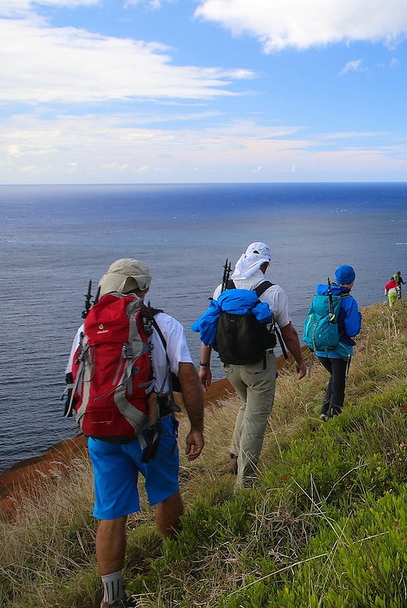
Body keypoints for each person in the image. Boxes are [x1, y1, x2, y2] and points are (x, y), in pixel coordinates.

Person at [66, 259, 205, 608]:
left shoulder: (87, 328)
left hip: (102, 435)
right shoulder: (163, 324)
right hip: (151, 430)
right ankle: (178, 564)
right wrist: (196, 426)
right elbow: (187, 377)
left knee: (111, 513)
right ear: (143, 289)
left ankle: (112, 598)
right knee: (165, 492)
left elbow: (74, 379)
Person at [197, 241, 306, 491]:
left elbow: (208, 328)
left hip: (230, 365)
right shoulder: (273, 291)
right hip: (258, 366)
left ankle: (234, 456)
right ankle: (245, 483)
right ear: (265, 265)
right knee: (257, 419)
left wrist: (204, 365)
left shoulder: (222, 288)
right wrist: (299, 360)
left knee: (246, 405)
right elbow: (288, 333)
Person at [313, 265, 362, 419]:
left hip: (320, 348)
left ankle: (324, 412)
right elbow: (353, 330)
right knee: (339, 383)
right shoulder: (349, 301)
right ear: (352, 281)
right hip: (340, 349)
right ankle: (333, 417)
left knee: (335, 377)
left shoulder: (321, 296)